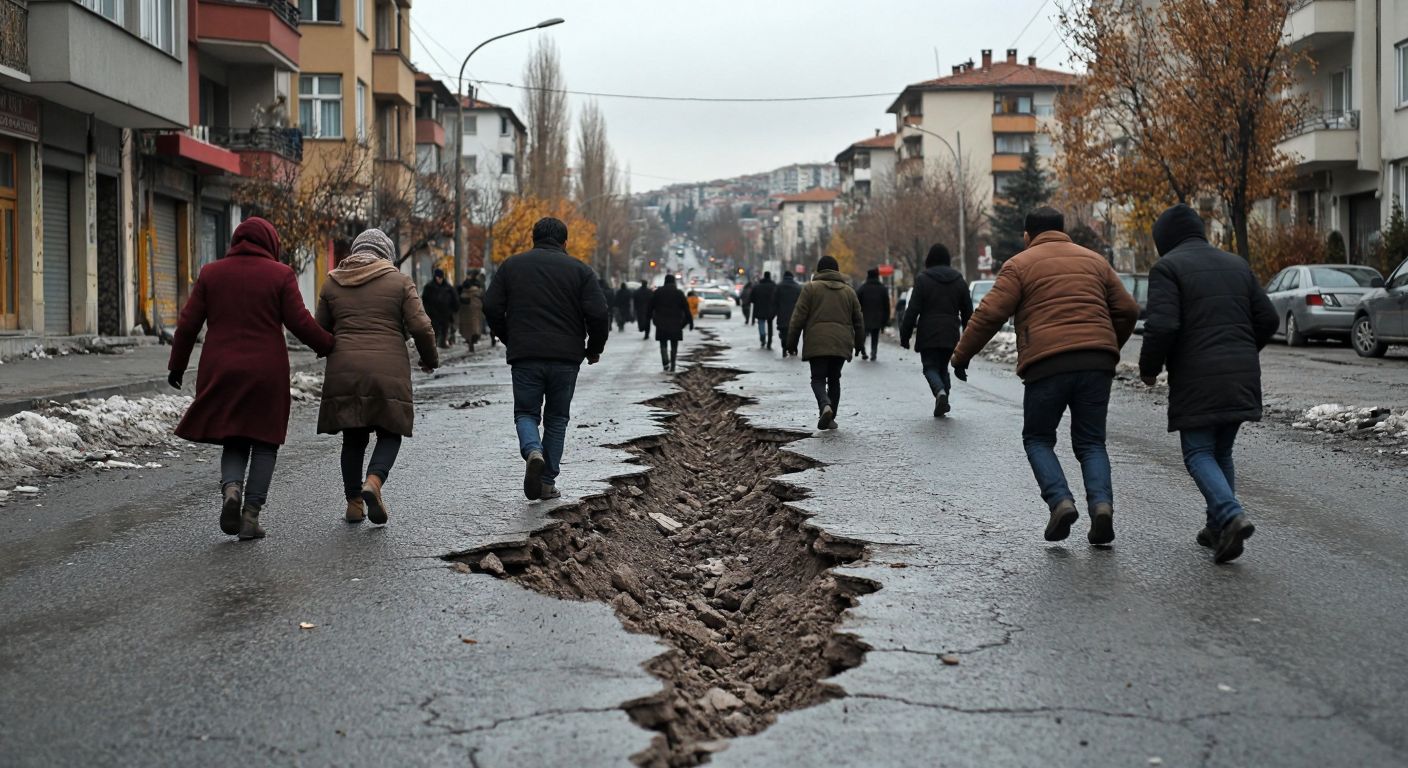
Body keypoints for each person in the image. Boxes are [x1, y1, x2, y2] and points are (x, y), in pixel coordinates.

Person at [951, 207, 1139, 546]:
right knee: (1091, 442)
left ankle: (1060, 501)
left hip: (1046, 363)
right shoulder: (1095, 261)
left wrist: (962, 355)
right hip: (1096, 363)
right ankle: (1101, 506)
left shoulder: (1019, 265)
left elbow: (989, 314)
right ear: (1063, 229)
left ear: (1027, 235)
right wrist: (1108, 345)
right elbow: (1127, 309)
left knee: (1038, 438)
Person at [167, 217, 335, 540]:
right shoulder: (280, 274)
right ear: (271, 243)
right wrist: (328, 345)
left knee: (234, 437)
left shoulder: (211, 273)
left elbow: (188, 324)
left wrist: (177, 366)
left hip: (221, 369)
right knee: (265, 442)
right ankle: (250, 516)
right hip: (266, 373)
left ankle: (231, 489)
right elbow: (300, 322)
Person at [1139, 204, 1278, 564]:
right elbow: (1269, 318)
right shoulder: (1237, 264)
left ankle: (1230, 515)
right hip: (1241, 374)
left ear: (1164, 240)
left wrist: (1149, 368)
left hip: (1197, 376)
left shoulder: (1167, 268)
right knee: (1221, 452)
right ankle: (1217, 529)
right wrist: (1242, 351)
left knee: (1198, 452)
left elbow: (1163, 325)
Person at [316, 228, 439, 525]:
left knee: (353, 436)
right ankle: (373, 481)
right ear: (387, 255)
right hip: (388, 369)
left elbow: (320, 330)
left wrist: (331, 349)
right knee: (390, 431)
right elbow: (421, 327)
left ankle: (354, 503)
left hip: (345, 368)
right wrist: (429, 358)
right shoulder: (400, 282)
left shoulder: (332, 282)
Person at [484, 217, 609, 502]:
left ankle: (532, 450)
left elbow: (490, 305)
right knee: (557, 419)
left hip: (526, 354)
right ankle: (546, 482)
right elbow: (599, 313)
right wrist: (593, 349)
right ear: (565, 242)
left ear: (533, 238)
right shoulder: (580, 270)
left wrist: (509, 337)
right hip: (566, 357)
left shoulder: (512, 266)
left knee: (526, 413)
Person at [784, 256, 864, 431]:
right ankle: (830, 417)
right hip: (841, 342)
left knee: (818, 378)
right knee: (834, 379)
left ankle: (824, 405)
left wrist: (791, 343)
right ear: (837, 271)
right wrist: (860, 344)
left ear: (819, 271)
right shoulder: (849, 292)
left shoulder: (810, 289)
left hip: (817, 342)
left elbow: (798, 317)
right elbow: (858, 320)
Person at [900, 244, 973, 417]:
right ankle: (943, 399)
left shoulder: (923, 279)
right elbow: (968, 312)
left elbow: (912, 310)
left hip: (928, 332)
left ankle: (940, 392)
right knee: (943, 367)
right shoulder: (959, 280)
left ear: (929, 260)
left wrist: (905, 335)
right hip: (951, 332)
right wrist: (968, 338)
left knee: (930, 367)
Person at [648, 274, 693, 372]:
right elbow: (686, 308)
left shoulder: (658, 292)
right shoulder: (679, 293)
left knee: (663, 343)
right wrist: (689, 322)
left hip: (661, 322)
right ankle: (673, 364)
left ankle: (665, 362)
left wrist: (651, 319)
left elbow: (650, 307)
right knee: (674, 345)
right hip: (676, 323)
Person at [856, 268, 891, 361]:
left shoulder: (862, 288)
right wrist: (886, 319)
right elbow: (886, 306)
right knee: (875, 336)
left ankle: (863, 351)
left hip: (864, 317)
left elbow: (856, 303)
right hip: (878, 318)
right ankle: (873, 352)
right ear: (877, 276)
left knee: (863, 336)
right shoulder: (882, 289)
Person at [421, 268, 460, 349]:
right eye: (438, 278)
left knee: (445, 329)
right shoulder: (429, 287)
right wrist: (428, 311)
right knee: (434, 330)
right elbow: (425, 300)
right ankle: (434, 344)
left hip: (446, 312)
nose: (440, 279)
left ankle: (443, 343)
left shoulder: (448, 287)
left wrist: (454, 308)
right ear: (435, 277)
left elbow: (454, 298)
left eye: (441, 278)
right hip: (433, 313)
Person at [775, 271, 802, 359]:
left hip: (782, 314)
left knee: (783, 332)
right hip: (795, 314)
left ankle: (784, 348)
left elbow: (774, 300)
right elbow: (801, 302)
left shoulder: (778, 287)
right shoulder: (797, 287)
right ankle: (793, 348)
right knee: (794, 332)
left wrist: (775, 311)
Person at [458, 272, 486, 353]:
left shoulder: (463, 291)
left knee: (468, 329)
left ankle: (470, 342)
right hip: (475, 313)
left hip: (467, 313)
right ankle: (472, 341)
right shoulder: (478, 291)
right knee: (475, 329)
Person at [751, 271, 778, 349]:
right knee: (770, 324)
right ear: (770, 276)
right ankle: (769, 341)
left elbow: (752, 298)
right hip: (770, 309)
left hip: (760, 308)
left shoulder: (758, 286)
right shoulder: (774, 286)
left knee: (761, 323)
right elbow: (777, 297)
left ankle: (762, 337)